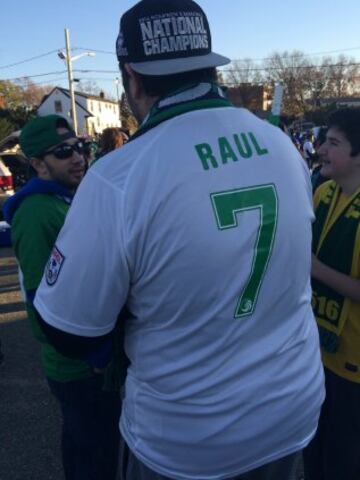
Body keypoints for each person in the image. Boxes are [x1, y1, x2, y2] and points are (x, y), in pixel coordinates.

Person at [33, 1, 324, 479]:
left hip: (190, 438)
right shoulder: (281, 146)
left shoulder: (118, 176)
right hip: (291, 407)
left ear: (131, 78)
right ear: (210, 65)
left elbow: (67, 331)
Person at [3, 114, 120, 480]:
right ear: (38, 164)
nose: (78, 157)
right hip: (78, 365)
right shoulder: (37, 212)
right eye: (63, 152)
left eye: (80, 147)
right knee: (94, 457)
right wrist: (95, 355)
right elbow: (41, 301)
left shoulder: (64, 197)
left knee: (91, 449)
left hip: (90, 353)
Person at [303, 108, 360, 480]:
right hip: (314, 353)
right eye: (324, 141)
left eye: (333, 143)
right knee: (312, 454)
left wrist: (315, 268)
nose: (321, 149)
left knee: (342, 461)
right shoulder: (322, 191)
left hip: (353, 368)